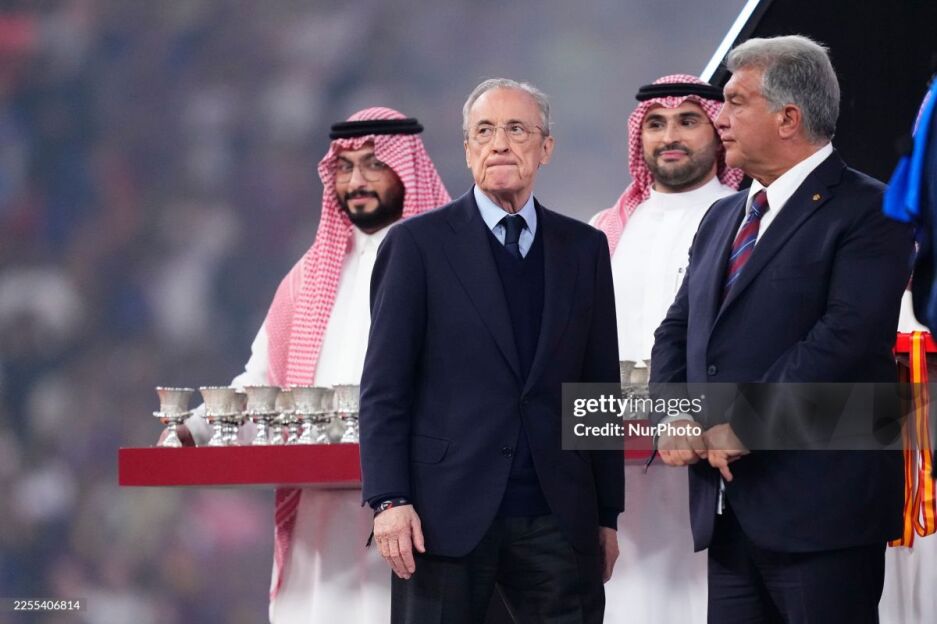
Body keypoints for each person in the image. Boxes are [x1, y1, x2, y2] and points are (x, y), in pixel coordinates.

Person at [650, 35, 914, 622]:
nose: (719, 119)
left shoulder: (872, 210)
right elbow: (678, 329)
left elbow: (845, 337)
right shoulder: (723, 215)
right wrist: (675, 415)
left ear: (788, 118)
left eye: (735, 102)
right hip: (729, 514)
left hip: (823, 514)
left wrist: (747, 421)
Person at [358, 78, 623, 624]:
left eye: (516, 129)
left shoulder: (585, 249)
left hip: (558, 519)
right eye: (484, 131)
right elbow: (384, 388)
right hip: (442, 519)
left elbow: (598, 389)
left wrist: (606, 515)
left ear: (546, 148)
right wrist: (389, 500)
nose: (499, 143)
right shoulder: (416, 245)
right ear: (467, 150)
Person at [182, 106, 450, 623]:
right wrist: (193, 430)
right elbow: (260, 387)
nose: (357, 181)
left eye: (373, 164)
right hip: (321, 527)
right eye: (345, 167)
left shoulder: (453, 268)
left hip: (422, 512)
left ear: (407, 170)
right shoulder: (307, 279)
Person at [590, 73, 742, 623]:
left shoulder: (746, 218)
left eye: (687, 121)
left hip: (715, 451)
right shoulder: (605, 229)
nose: (669, 136)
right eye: (655, 124)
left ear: (718, 132)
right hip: (616, 461)